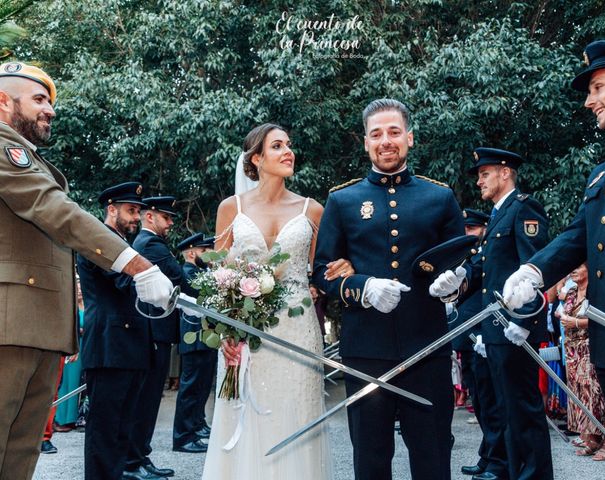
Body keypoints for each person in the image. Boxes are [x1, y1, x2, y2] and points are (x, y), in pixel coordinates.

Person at [0, 61, 173, 479]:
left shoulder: (29, 158)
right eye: (39, 99)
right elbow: (51, 207)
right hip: (9, 326)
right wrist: (137, 264)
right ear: (3, 102)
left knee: (19, 456)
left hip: (32, 326)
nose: (50, 110)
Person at [502, 40, 605, 480]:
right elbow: (579, 235)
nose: (589, 100)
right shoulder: (602, 172)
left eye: (598, 86)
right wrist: (533, 270)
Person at [313, 98, 465, 480]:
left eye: (394, 132)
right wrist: (363, 287)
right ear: (365, 143)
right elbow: (321, 272)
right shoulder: (342, 200)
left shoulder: (439, 197)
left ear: (409, 138)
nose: (386, 141)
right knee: (370, 458)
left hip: (426, 348)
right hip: (366, 352)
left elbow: (460, 263)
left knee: (432, 456)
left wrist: (454, 286)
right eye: (376, 134)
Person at [202, 123, 352, 479]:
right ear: (257, 158)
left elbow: (323, 270)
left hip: (297, 329)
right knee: (245, 415)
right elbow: (217, 277)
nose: (289, 151)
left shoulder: (312, 210)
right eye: (277, 146)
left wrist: (348, 265)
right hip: (244, 332)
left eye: (289, 145)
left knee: (296, 414)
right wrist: (226, 331)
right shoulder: (230, 208)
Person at [431, 147, 552, 480]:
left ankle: (532, 476)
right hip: (495, 328)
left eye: (485, 174)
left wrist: (523, 322)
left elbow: (534, 267)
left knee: (523, 411)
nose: (480, 181)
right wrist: (459, 281)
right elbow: (484, 268)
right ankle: (513, 471)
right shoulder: (500, 213)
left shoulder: (523, 207)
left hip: (514, 329)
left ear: (504, 172)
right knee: (507, 410)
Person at [77, 182, 159, 480]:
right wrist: (154, 275)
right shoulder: (99, 240)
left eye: (138, 211)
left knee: (123, 428)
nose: (136, 217)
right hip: (110, 346)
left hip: (131, 346)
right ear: (111, 209)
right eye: (131, 210)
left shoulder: (123, 244)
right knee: (105, 431)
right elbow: (125, 281)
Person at [125, 196, 193, 479]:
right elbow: (179, 277)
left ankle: (140, 457)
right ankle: (132, 462)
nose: (170, 223)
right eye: (166, 218)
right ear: (149, 217)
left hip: (156, 331)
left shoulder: (151, 244)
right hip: (152, 331)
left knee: (151, 398)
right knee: (146, 399)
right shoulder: (150, 244)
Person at [451, 209, 509, 479]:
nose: (468, 235)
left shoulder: (490, 252)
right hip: (467, 338)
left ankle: (499, 461)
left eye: (472, 229)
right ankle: (488, 456)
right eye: (465, 230)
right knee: (481, 401)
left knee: (491, 402)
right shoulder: (467, 257)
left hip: (484, 335)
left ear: (485, 228)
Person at [559, 263, 605, 460]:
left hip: (591, 347)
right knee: (579, 394)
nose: (572, 270)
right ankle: (591, 438)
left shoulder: (597, 291)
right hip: (572, 349)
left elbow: (604, 318)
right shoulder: (572, 291)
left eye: (578, 267)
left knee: (596, 394)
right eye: (571, 267)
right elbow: (561, 309)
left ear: (589, 269)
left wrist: (575, 322)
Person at [173, 233, 217, 454]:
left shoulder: (200, 271)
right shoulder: (188, 273)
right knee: (190, 388)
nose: (208, 254)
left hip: (205, 337)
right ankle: (183, 435)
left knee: (201, 387)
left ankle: (197, 425)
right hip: (194, 335)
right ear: (191, 253)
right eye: (203, 250)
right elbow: (204, 296)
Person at [54, 278, 86, 432]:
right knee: (69, 383)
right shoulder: (70, 308)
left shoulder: (90, 305)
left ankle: (79, 417)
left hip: (88, 347)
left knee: (83, 384)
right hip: (74, 348)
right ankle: (63, 419)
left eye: (81, 288)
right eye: (77, 288)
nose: (79, 291)